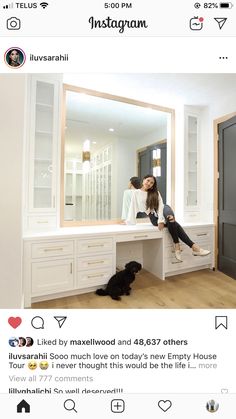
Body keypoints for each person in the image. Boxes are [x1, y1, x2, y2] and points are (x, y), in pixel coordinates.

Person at [124, 174, 211, 262]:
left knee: (170, 216)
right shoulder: (136, 193)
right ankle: (194, 248)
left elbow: (161, 206)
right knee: (173, 223)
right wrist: (129, 221)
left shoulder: (155, 192)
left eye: (152, 183)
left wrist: (161, 220)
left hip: (163, 209)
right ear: (143, 180)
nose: (149, 183)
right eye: (148, 180)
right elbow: (132, 208)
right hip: (153, 216)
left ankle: (178, 246)